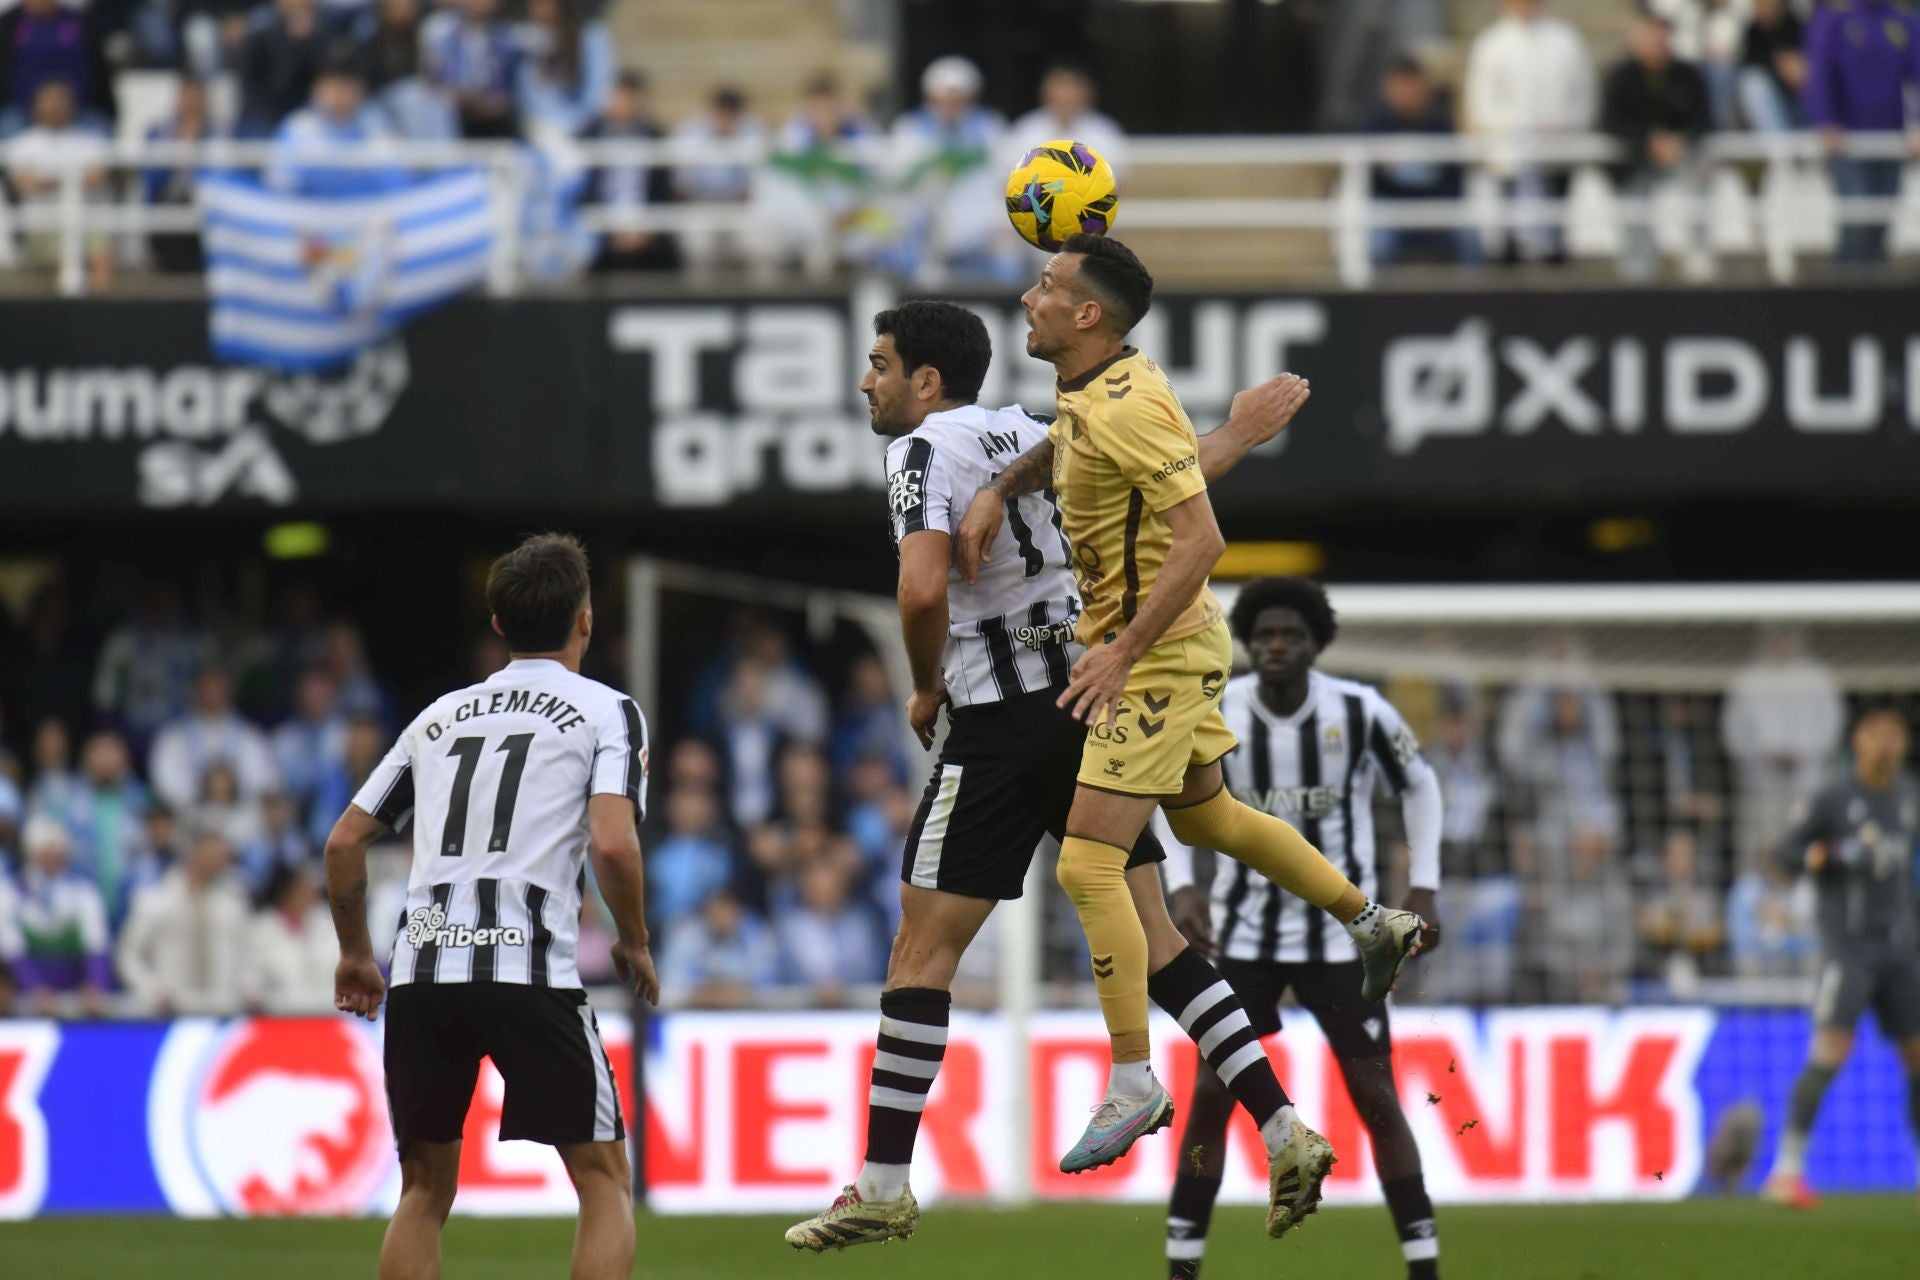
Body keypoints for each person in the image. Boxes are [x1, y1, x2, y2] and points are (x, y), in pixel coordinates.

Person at [783, 300, 1336, 1251]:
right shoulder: (1041, 429)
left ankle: (880, 1183)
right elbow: (1169, 481)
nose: (866, 382)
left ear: (926, 380)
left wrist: (922, 690)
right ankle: (1285, 1126)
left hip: (1000, 725)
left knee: (921, 955)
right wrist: (1238, 431)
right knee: (1157, 939)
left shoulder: (922, 451)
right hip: (1091, 701)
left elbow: (922, 589)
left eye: (879, 364)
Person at [953, 239, 1424, 1181]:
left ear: (1088, 314)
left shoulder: (1123, 402)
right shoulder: (1101, 389)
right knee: (1209, 816)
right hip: (1168, 648)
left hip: (1155, 657)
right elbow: (1122, 460)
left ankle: (1133, 1078)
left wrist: (1121, 653)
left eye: (1048, 287)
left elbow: (1200, 536)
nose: (1028, 296)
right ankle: (1368, 918)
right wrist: (1005, 488)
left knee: (1089, 866)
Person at [323, 533, 654, 1280]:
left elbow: (345, 844)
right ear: (586, 620)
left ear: (499, 625)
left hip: (423, 969)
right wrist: (634, 937)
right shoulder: (608, 711)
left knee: (423, 1191)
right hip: (527, 967)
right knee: (603, 1183)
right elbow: (612, 843)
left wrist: (354, 953)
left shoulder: (438, 718)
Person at [1156, 577, 1443, 1280]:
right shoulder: (1216, 706)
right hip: (1242, 937)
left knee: (1377, 1096)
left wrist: (1424, 884)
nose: (1275, 645)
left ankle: (1424, 1265)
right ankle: (1183, 1268)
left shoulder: (1361, 710)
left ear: (1316, 643)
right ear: (1247, 643)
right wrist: (1185, 885)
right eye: (1264, 635)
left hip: (1341, 942)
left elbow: (1422, 785)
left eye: (1290, 634)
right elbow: (1157, 783)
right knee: (1211, 1098)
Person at [1760, 704, 1920, 1208]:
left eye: (1894, 735)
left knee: (1918, 1056)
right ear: (1857, 740)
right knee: (1831, 1050)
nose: (1885, 744)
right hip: (1846, 949)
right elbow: (1784, 855)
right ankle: (1785, 1172)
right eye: (1876, 734)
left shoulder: (1908, 798)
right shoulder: (1832, 797)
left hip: (1899, 948)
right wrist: (1824, 855)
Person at [1463, 0, 1597, 263]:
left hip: (1557, 149)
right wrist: (1512, 128)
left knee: (1556, 232)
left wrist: (1565, 123)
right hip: (1508, 153)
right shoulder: (1490, 43)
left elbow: (1584, 94)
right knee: (1508, 234)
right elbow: (1480, 99)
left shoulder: (1565, 39)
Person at [1803, 0, 1920, 262]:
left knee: (1882, 220)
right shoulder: (1835, 17)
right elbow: (1819, 72)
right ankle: (1845, 293)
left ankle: (1876, 297)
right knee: (1856, 223)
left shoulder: (1900, 19)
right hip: (1847, 142)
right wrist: (1825, 122)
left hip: (1890, 140)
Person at [1600, 15, 1714, 280]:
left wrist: (1680, 140)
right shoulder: (1621, 77)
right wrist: (1649, 141)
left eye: (1661, 37)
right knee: (1634, 198)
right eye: (1651, 37)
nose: (1657, 43)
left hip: (1681, 156)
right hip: (1636, 161)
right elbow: (1611, 122)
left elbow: (1704, 120)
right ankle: (1638, 266)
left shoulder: (1688, 75)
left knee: (1700, 176)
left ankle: (1698, 256)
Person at [1722, 628, 1843, 876]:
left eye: (1787, 637)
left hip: (1806, 782)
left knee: (1807, 839)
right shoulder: (1748, 680)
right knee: (1761, 842)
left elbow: (1832, 726)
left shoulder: (1817, 678)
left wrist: (1803, 753)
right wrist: (1764, 754)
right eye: (1777, 638)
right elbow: (1734, 731)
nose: (1782, 644)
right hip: (1762, 786)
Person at [116, 830, 252, 1015]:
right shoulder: (156, 901)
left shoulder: (233, 905)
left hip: (223, 1010)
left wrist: (248, 987)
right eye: (214, 853)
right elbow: (128, 955)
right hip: (171, 1010)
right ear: (194, 852)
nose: (221, 860)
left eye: (224, 855)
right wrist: (152, 989)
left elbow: (247, 956)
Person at [1363, 55, 1478, 267]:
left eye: (1413, 85)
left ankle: (1474, 297)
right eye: (1402, 86)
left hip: (1437, 210)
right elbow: (1370, 182)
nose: (1408, 93)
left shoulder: (1442, 127)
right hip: (1393, 212)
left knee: (1469, 237)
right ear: (1389, 88)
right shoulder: (1376, 127)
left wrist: (1433, 211)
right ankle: (1380, 299)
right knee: (1379, 243)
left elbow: (1455, 180)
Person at [4, 79, 114, 289]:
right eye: (49, 101)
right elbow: (24, 182)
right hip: (41, 222)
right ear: (36, 105)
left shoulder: (89, 142)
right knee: (63, 258)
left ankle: (100, 313)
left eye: (60, 101)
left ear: (72, 105)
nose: (55, 107)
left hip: (85, 220)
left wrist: (49, 180)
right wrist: (72, 180)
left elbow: (97, 178)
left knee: (101, 256)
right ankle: (67, 316)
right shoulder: (21, 145)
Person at [11, 816, 112, 1017]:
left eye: (58, 851)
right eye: (46, 851)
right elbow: (12, 950)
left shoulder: (84, 892)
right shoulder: (11, 892)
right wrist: (34, 988)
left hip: (76, 998)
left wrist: (96, 985)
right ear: (32, 853)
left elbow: (97, 943)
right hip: (26, 1000)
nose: (53, 856)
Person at [266, 58, 409, 197]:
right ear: (317, 91)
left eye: (346, 87)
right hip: (311, 214)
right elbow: (280, 185)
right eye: (331, 87)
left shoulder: (376, 127)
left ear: (360, 91)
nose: (338, 96)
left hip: (366, 214)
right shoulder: (299, 127)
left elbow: (398, 184)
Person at [148, 665, 279, 815]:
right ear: (196, 692)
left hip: (241, 821)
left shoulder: (249, 736)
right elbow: (166, 786)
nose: (213, 695)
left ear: (229, 692)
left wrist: (231, 803)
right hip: (191, 820)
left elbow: (263, 782)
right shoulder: (173, 737)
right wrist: (202, 805)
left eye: (218, 689)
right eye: (207, 689)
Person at [585, 69, 681, 273]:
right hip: (602, 226)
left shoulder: (656, 137)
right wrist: (610, 231)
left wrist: (646, 226)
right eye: (618, 97)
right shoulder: (589, 134)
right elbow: (583, 187)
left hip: (644, 227)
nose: (621, 104)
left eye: (627, 98)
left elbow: (662, 190)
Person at [0, 0, 114, 134]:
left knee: (100, 131)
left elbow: (95, 73)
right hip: (21, 109)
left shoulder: (81, 23)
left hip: (78, 109)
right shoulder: (8, 25)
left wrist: (66, 99)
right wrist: (38, 102)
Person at [420, 0, 524, 140]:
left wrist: (494, 102)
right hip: (451, 108)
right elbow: (431, 81)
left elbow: (511, 87)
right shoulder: (439, 30)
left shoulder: (509, 36)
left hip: (494, 113)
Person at [516, 0, 614, 141]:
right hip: (539, 123)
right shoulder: (526, 36)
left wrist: (576, 119)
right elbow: (527, 88)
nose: (536, 8)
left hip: (580, 123)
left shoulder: (589, 35)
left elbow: (597, 86)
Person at [248, 863, 338, 1012]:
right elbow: (252, 982)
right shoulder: (261, 929)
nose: (310, 894)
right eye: (303, 889)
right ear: (287, 892)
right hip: (278, 1016)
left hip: (325, 1015)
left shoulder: (327, 922)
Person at [1010, 63, 1127, 177]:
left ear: (1087, 92)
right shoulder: (1026, 128)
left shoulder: (1104, 130)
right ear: (1045, 91)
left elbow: (1118, 179)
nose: (1065, 95)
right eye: (1059, 87)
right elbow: (1009, 178)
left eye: (1071, 87)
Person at [236, 0, 331, 137]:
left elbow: (320, 81)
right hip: (262, 116)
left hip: (307, 115)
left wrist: (306, 42)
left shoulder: (322, 37)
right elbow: (254, 90)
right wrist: (294, 44)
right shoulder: (258, 38)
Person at [1738, 0, 1806, 133]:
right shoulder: (1753, 31)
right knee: (1753, 83)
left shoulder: (1797, 27)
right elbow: (1749, 66)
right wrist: (1779, 65)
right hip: (1774, 96)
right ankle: (1780, 148)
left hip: (1798, 94)